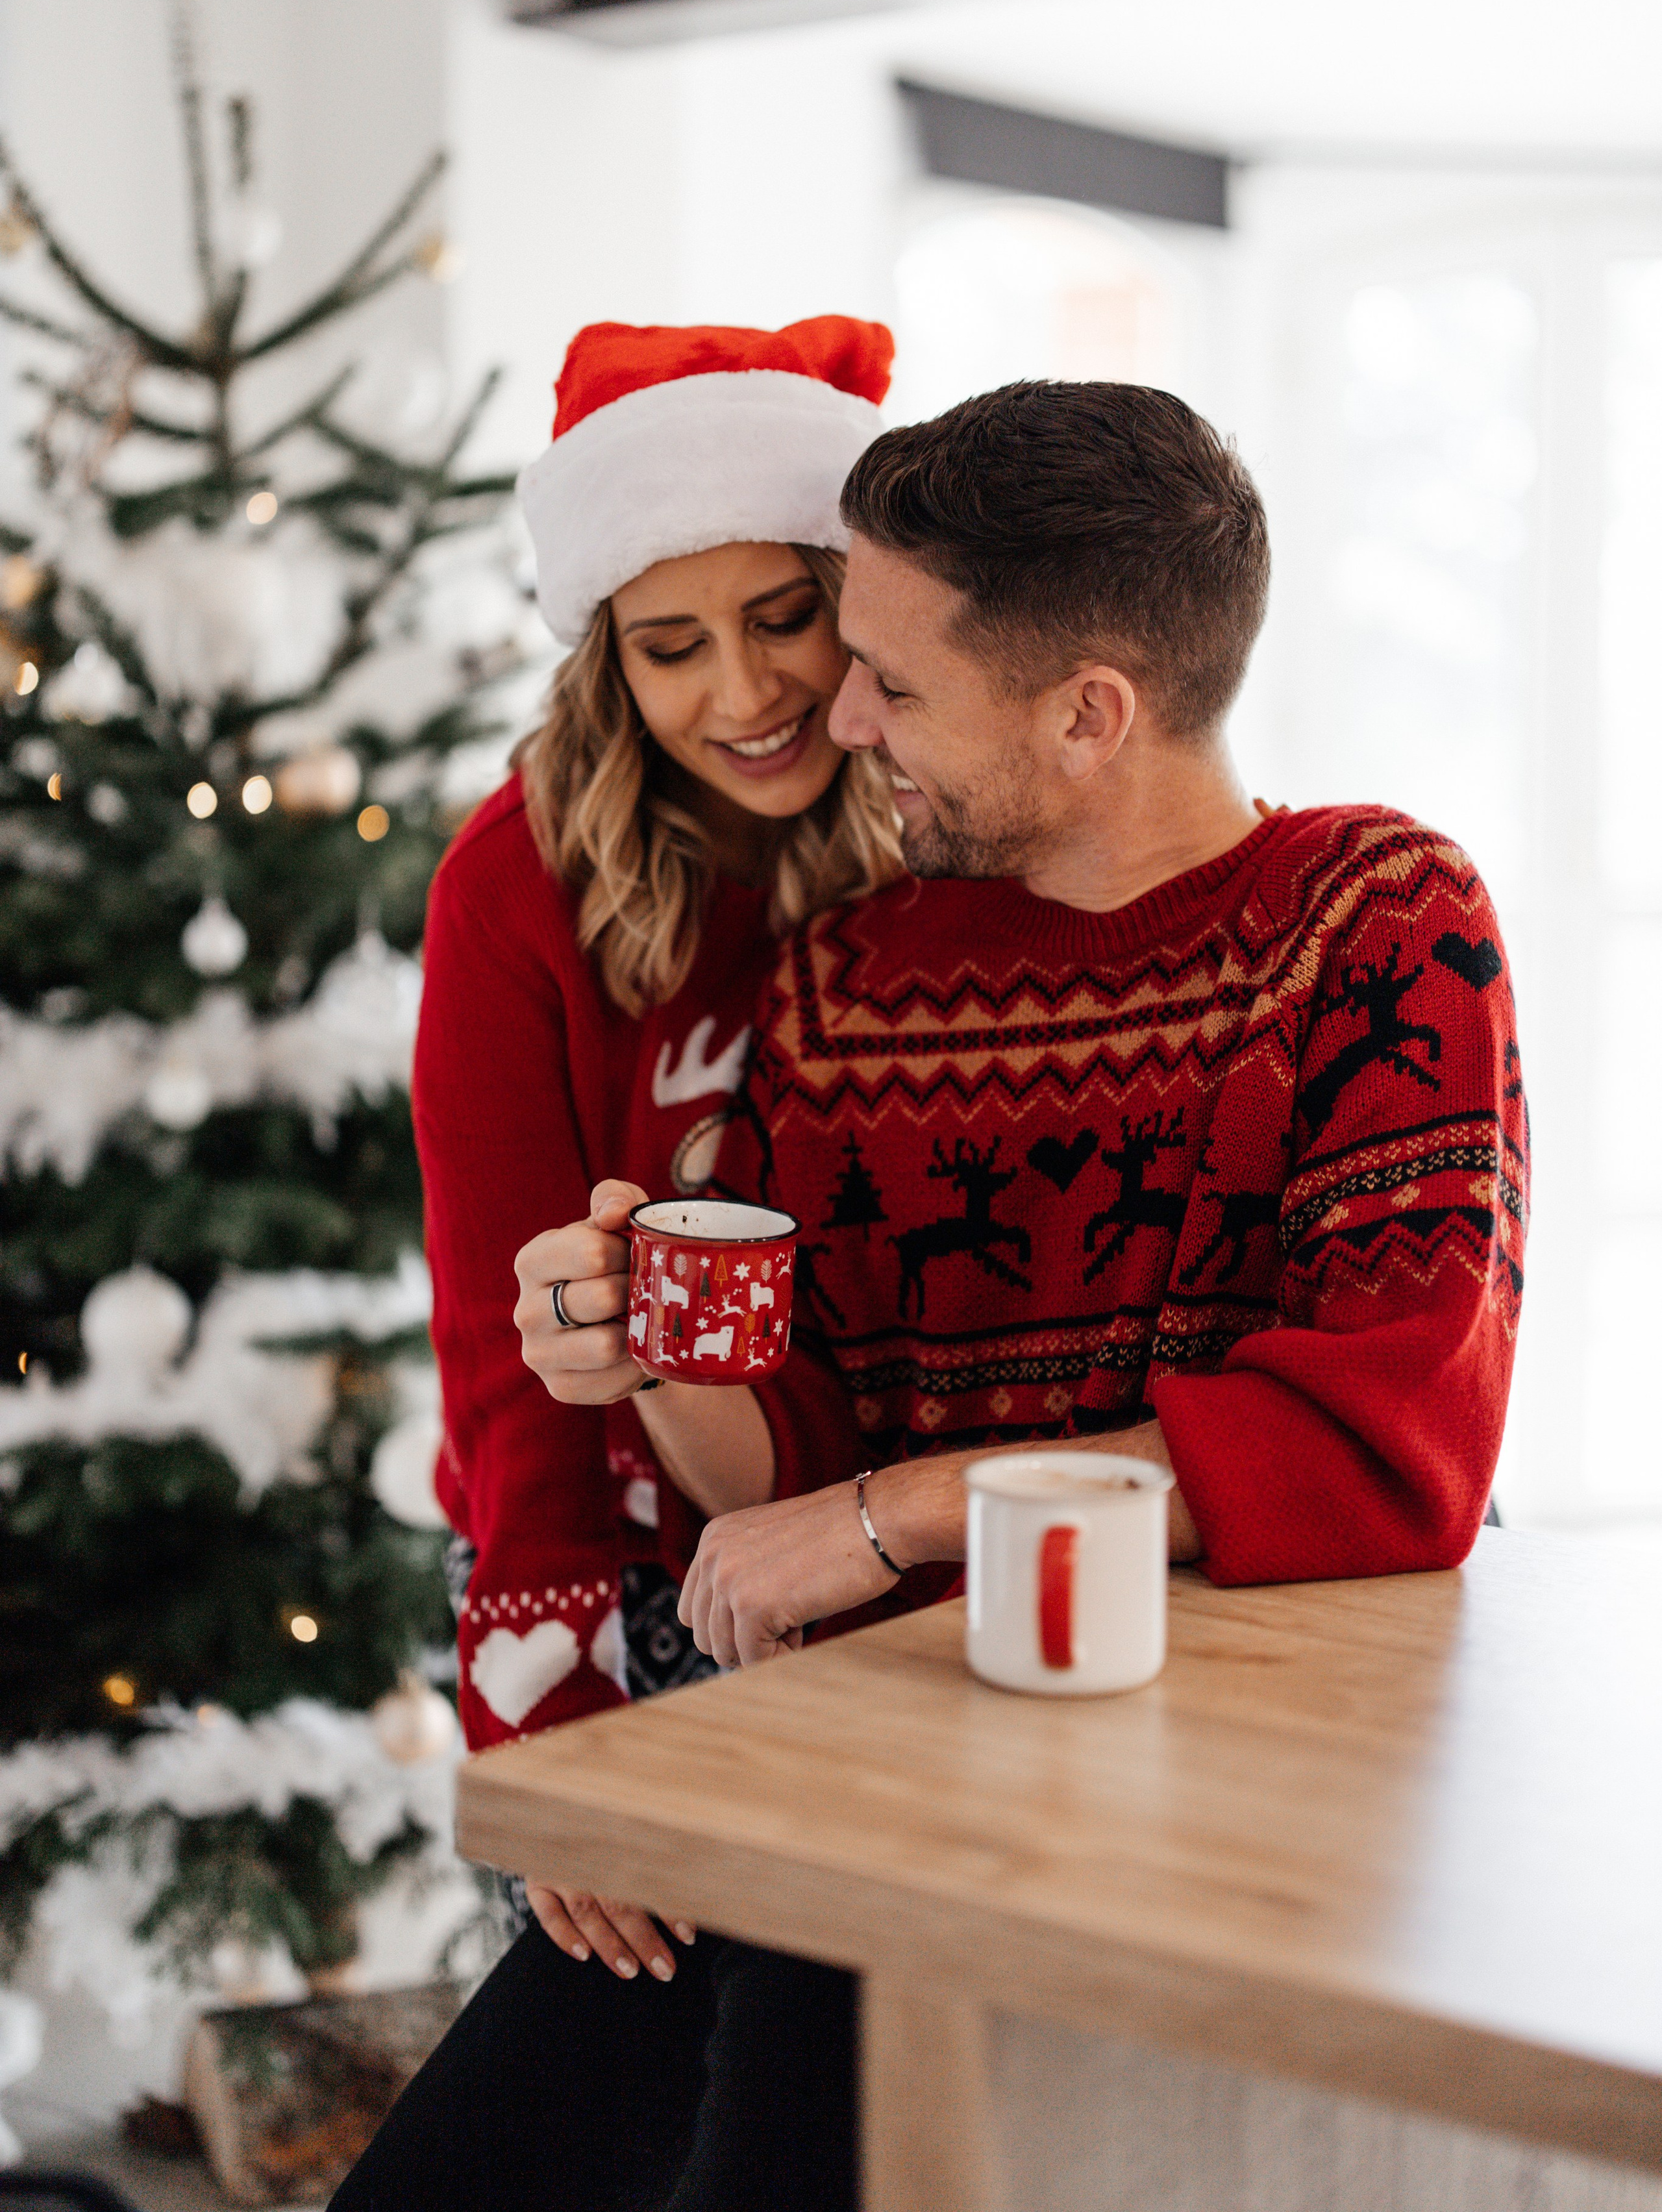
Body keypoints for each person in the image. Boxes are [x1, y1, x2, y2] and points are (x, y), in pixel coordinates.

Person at [343, 380, 1525, 2211]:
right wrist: (650, 1334)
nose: (836, 717)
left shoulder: (1377, 922)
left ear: (1087, 715)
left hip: (1249, 1789)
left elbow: (1387, 1444)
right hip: (889, 1759)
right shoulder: (852, 986)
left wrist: (886, 1522)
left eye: (889, 677)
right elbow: (777, 1476)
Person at [405, 317, 899, 1949]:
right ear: (604, 655)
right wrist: (551, 1712)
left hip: (880, 1549)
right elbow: (501, 1327)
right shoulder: (512, 885)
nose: (744, 693)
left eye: (783, 618)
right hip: (614, 1576)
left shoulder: (936, 835)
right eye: (670, 643)